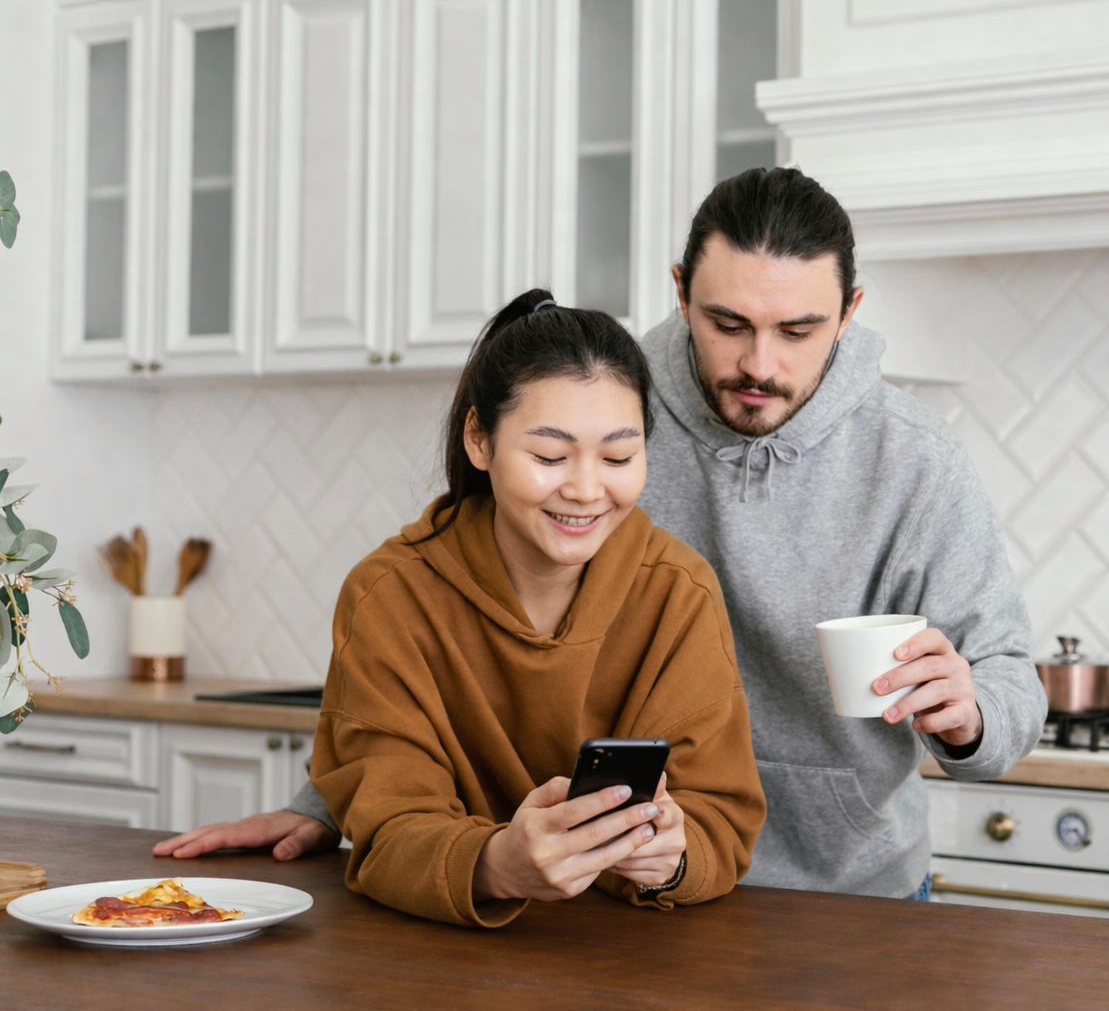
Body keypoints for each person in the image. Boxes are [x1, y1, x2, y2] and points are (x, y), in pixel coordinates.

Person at [156, 168, 1046, 902]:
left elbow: (1008, 680)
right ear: (681, 294)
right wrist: (346, 800)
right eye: (727, 323)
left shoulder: (916, 464)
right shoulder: (606, 393)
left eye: (798, 331)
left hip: (842, 887)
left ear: (848, 316)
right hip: (599, 894)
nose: (759, 365)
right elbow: (451, 631)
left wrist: (969, 714)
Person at [292, 291, 764, 927]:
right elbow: (387, 826)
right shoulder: (390, 596)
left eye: (619, 457)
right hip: (434, 962)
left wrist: (675, 856)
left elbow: (720, 821)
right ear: (479, 441)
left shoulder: (678, 592)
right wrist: (494, 863)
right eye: (549, 456)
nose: (587, 489)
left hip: (634, 961)